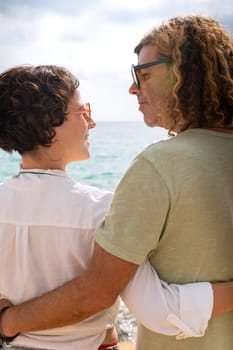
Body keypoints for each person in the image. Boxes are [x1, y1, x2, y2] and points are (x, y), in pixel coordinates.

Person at [0, 13, 233, 349]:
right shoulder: (100, 206)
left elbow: (110, 294)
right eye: (83, 111)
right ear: (50, 125)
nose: (132, 87)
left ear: (185, 75)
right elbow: (149, 304)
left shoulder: (159, 166)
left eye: (144, 74)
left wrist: (7, 323)